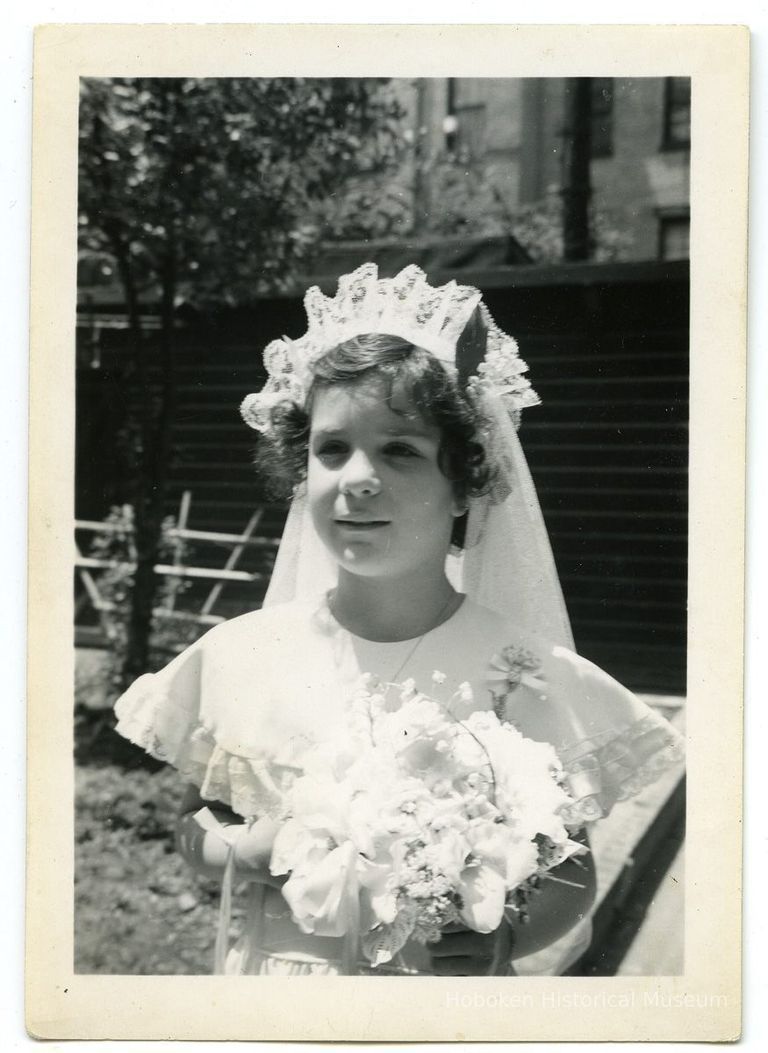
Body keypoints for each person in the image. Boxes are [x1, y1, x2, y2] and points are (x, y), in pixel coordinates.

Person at [113, 262, 685, 977]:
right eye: (332, 449)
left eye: (400, 450)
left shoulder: (522, 672)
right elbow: (195, 828)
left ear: (464, 485)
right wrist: (246, 849)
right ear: (302, 468)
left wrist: (507, 935)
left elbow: (572, 874)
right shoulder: (245, 654)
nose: (357, 478)